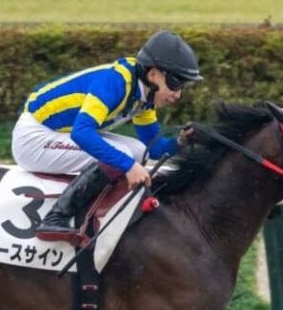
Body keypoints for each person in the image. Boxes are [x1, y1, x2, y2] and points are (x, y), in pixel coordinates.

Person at [11, 30, 203, 242]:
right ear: (153, 74)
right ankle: (56, 217)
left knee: (139, 152)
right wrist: (128, 166)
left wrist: (181, 141)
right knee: (124, 156)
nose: (177, 94)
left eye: (182, 86)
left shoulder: (144, 97)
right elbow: (82, 133)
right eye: (175, 83)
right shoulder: (116, 82)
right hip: (33, 137)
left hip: (57, 133)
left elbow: (154, 148)